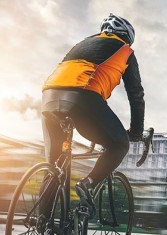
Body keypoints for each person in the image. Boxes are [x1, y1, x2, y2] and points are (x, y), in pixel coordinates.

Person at [41, 13, 145, 206]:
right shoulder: (126, 51)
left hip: (48, 98)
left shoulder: (81, 44)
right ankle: (87, 184)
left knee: (54, 167)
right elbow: (136, 94)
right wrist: (137, 131)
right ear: (127, 37)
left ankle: (42, 230)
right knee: (119, 145)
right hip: (83, 98)